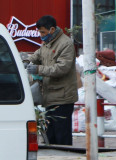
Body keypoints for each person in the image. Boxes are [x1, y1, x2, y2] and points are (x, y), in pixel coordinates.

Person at [27, 15, 78, 146]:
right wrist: (25, 61)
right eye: (39, 32)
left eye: (43, 32)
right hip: (50, 97)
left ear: (52, 30)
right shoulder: (46, 44)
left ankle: (65, 157)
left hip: (63, 98)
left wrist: (39, 69)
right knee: (50, 135)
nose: (41, 35)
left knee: (62, 135)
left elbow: (62, 68)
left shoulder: (65, 44)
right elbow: (36, 56)